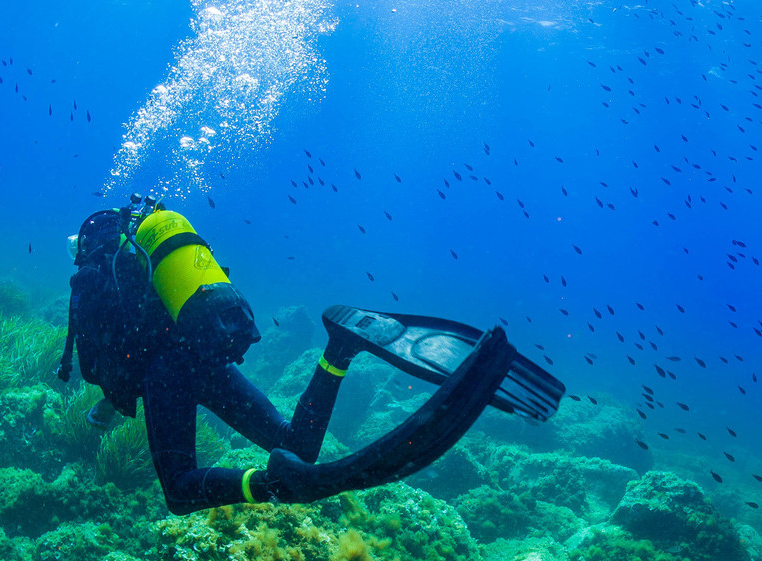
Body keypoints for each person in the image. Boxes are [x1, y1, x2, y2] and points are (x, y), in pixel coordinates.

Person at [57, 198, 564, 514]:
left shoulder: (95, 282)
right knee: (296, 443)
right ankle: (340, 348)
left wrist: (107, 402)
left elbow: (104, 366)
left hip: (167, 369)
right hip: (202, 353)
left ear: (87, 249)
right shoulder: (149, 262)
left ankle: (272, 484)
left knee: (181, 491)